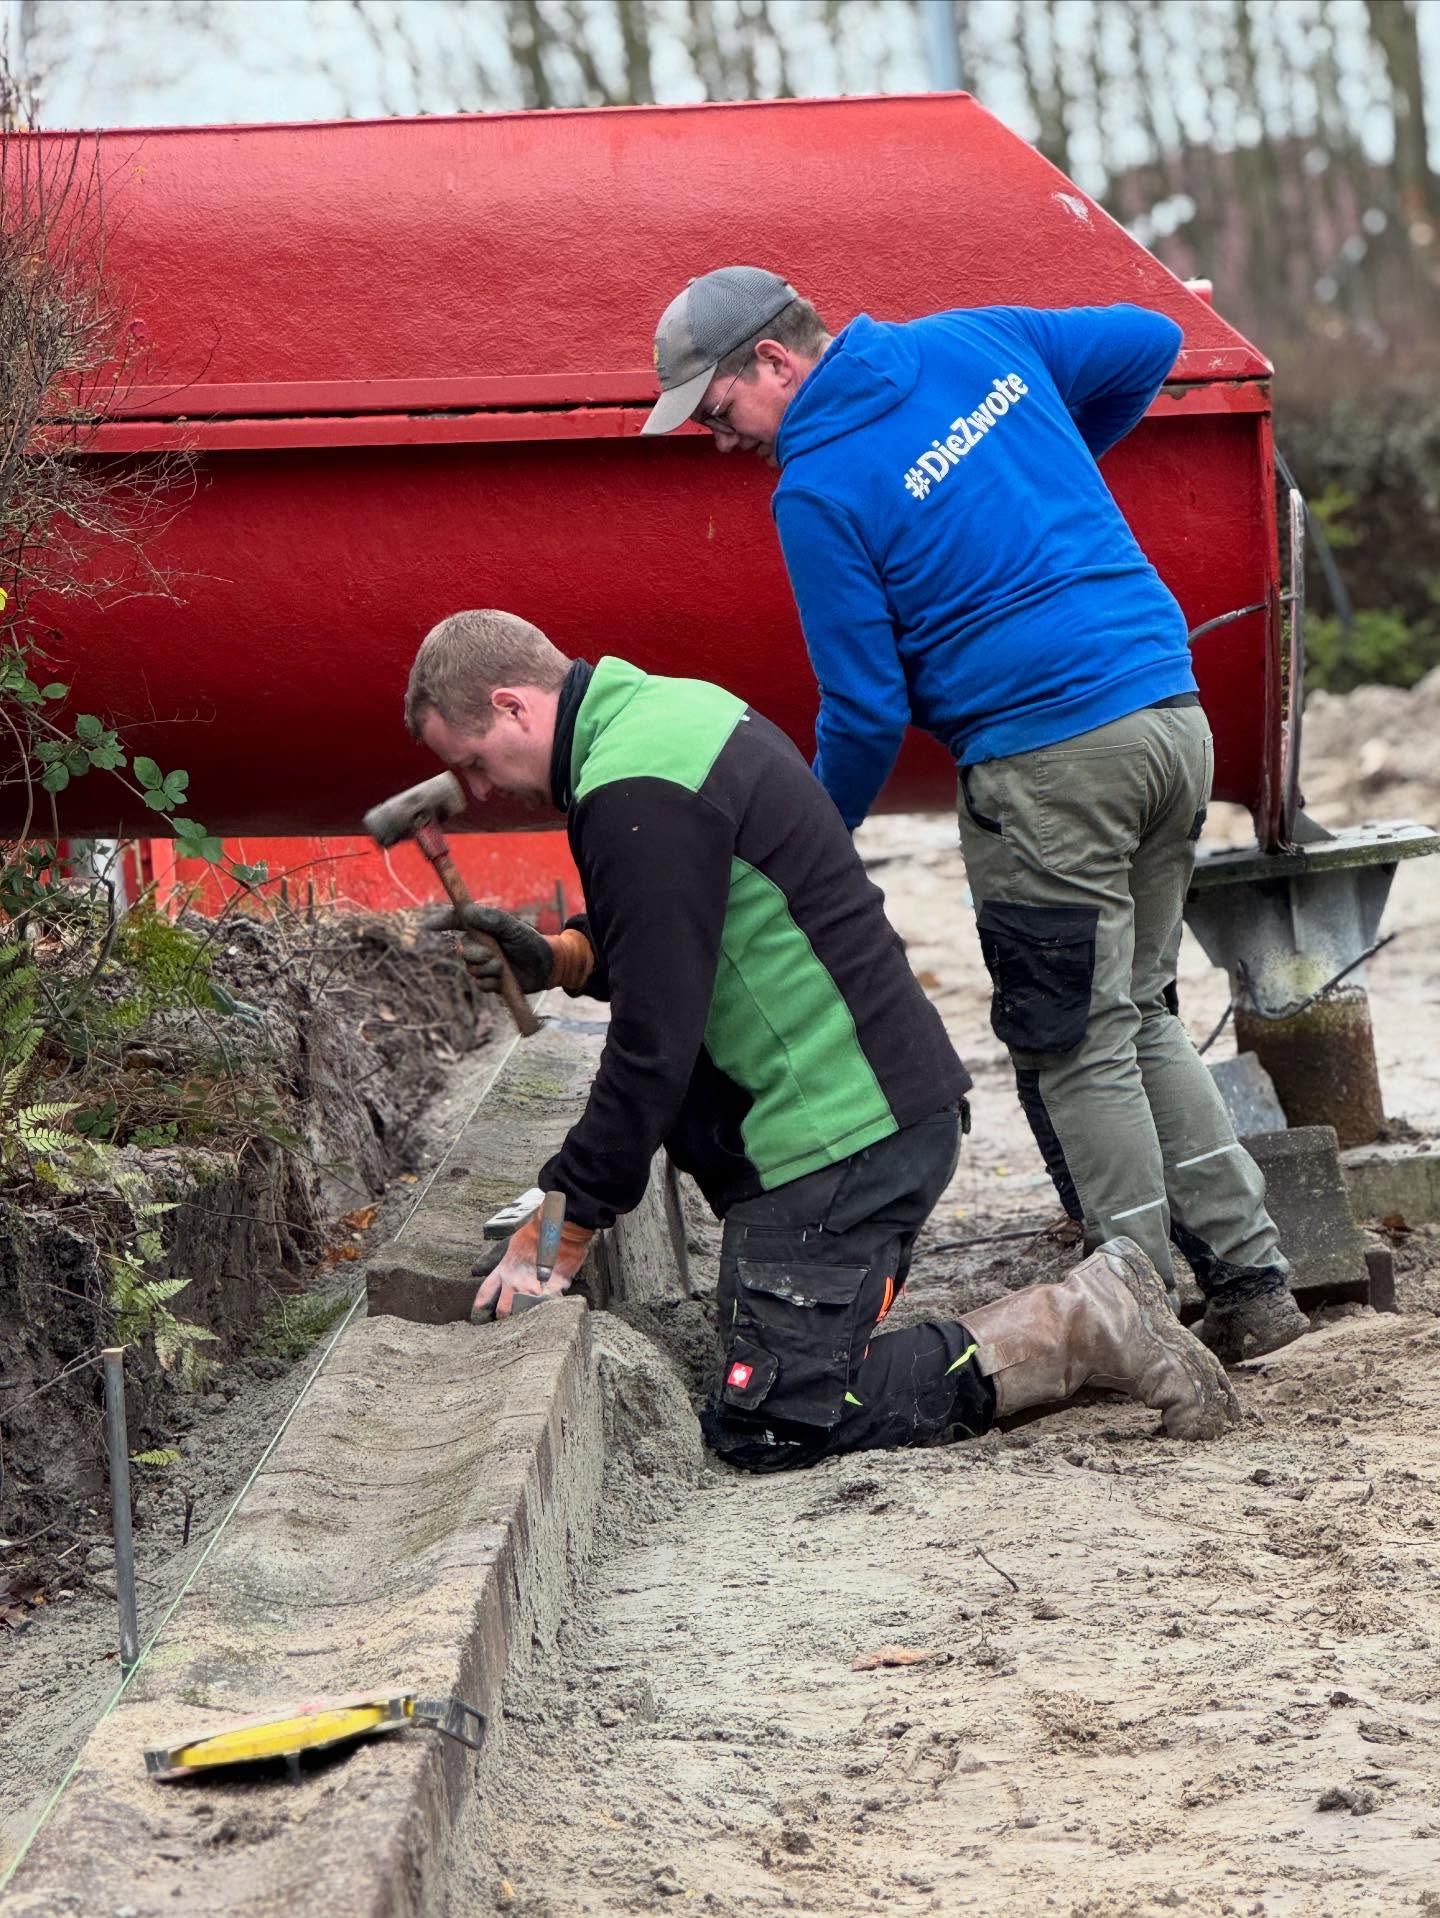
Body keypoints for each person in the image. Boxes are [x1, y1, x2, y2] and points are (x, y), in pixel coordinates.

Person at [641, 265, 1307, 1365]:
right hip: (1169, 713)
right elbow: (1147, 337)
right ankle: (1254, 1282)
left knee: (1078, 1042)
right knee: (1139, 1008)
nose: (722, 440)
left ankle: (1134, 1307)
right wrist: (1032, 466)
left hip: (1050, 763)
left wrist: (809, 838)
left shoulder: (816, 487)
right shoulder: (973, 343)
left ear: (774, 360)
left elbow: (863, 711)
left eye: (719, 412)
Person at [403, 607, 1240, 1472]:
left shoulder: (632, 788)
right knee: (775, 1374)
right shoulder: (666, 715)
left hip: (844, 1146)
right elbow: (697, 935)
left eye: (472, 761)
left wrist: (559, 1232)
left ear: (513, 707)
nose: (480, 790)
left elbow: (653, 1046)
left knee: (769, 1421)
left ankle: (1086, 1319)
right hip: (874, 1116)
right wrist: (566, 956)